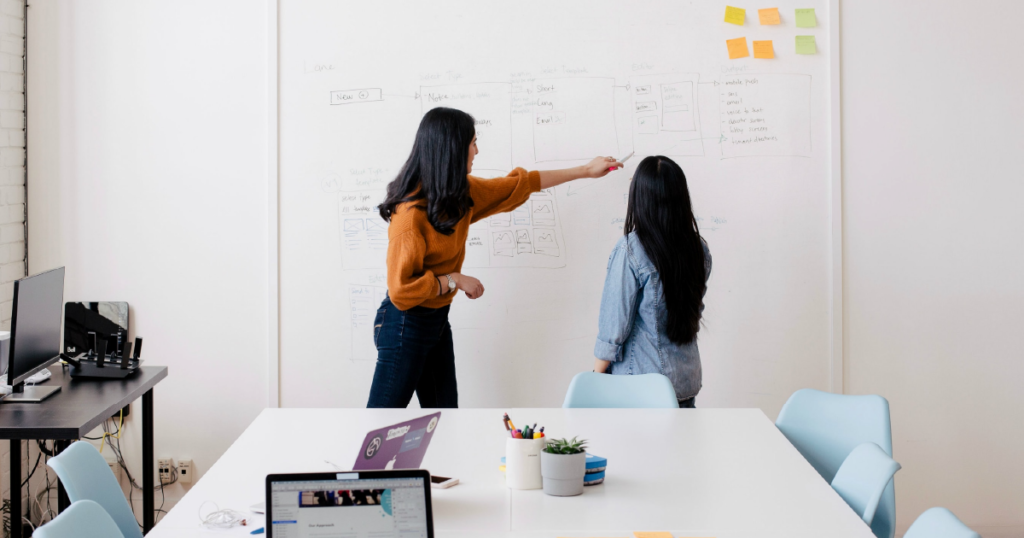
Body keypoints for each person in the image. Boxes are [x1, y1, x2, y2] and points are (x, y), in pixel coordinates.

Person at [368, 107, 623, 408]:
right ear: (452, 149)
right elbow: (401, 291)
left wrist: (585, 170)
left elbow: (521, 184)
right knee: (382, 424)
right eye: (472, 142)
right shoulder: (410, 217)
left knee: (446, 420)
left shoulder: (459, 195)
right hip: (403, 324)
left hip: (435, 321)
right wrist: (454, 280)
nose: (477, 150)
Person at [592, 156, 711, 408]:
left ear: (641, 197)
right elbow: (693, 313)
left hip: (640, 386)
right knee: (680, 448)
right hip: (685, 382)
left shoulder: (631, 250)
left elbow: (614, 327)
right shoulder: (698, 248)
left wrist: (595, 378)